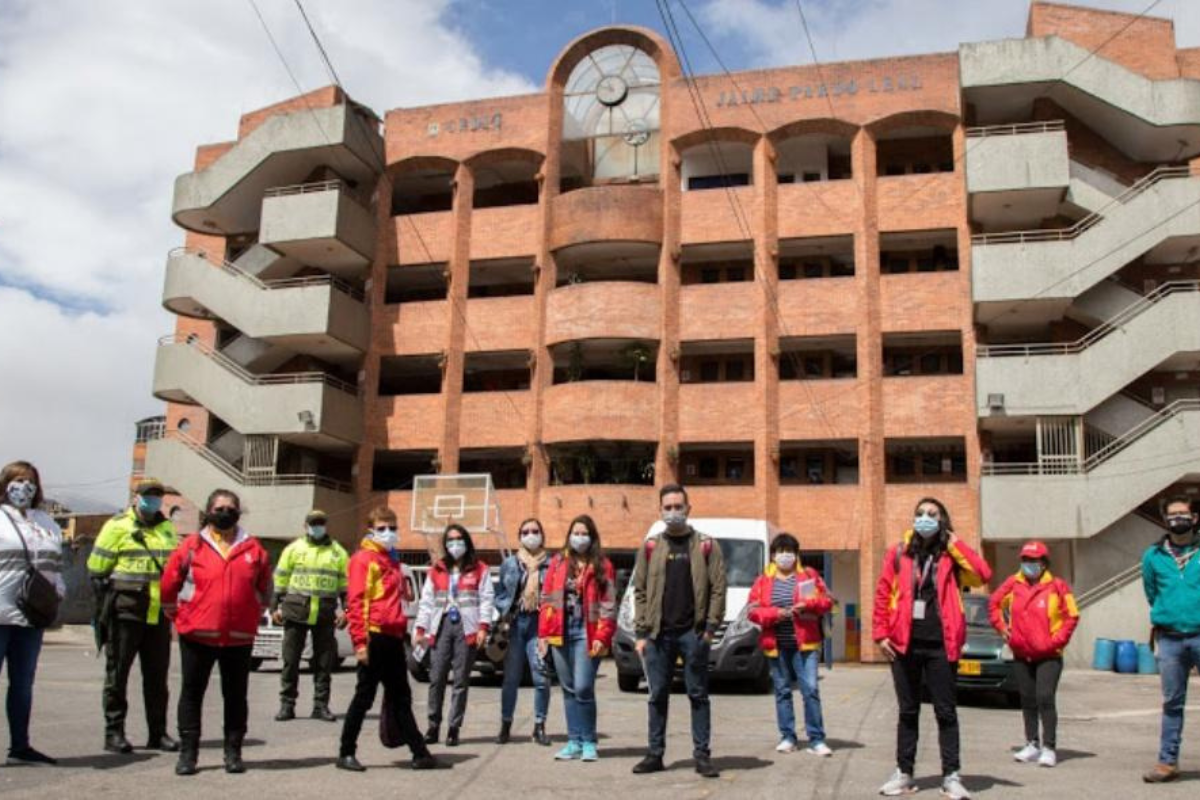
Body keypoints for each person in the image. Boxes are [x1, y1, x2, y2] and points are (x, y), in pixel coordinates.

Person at [874, 497, 991, 799]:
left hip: (942, 644)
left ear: (942, 520)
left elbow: (983, 574)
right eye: (920, 513)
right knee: (908, 711)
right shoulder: (899, 552)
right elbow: (883, 592)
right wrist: (880, 634)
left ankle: (951, 776)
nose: (924, 518)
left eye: (932, 514)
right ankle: (904, 773)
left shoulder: (950, 556)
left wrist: (957, 544)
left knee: (945, 711)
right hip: (905, 645)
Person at [161, 489, 271, 776]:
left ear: (239, 512)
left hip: (238, 637)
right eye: (219, 508)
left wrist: (252, 614)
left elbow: (265, 589)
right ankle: (188, 754)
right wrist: (178, 615)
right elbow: (169, 585)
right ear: (208, 511)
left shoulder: (254, 549)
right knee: (192, 693)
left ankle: (233, 753)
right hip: (198, 634)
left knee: (236, 696)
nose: (225, 512)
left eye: (230, 508)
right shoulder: (191, 546)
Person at [631, 483, 726, 778]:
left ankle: (702, 755)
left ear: (688, 508)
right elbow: (640, 590)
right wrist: (642, 633)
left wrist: (709, 630)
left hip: (693, 634)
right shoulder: (650, 547)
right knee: (657, 694)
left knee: (698, 695)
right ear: (660, 511)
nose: (673, 512)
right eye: (668, 507)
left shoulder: (706, 545)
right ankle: (655, 754)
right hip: (659, 635)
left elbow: (718, 589)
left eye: (678, 506)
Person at [337, 507, 440, 771]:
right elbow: (357, 602)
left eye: (393, 527)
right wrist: (360, 642)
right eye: (382, 527)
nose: (389, 532)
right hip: (374, 635)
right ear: (371, 529)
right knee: (365, 696)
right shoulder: (363, 560)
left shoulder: (391, 561)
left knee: (401, 696)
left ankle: (419, 752)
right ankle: (346, 752)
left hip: (394, 636)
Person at [87, 477, 179, 754]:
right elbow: (97, 568)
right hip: (125, 611)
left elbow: (173, 569)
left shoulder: (167, 529)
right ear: (136, 497)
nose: (152, 499)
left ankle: (158, 733)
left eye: (157, 495)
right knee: (118, 675)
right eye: (148, 494)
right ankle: (114, 733)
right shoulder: (117, 527)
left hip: (157, 614)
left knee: (157, 678)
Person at [988, 540, 1079, 768]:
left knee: (1045, 698)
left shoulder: (1058, 586)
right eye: (1026, 560)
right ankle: (1031, 743)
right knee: (1027, 700)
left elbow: (1072, 616)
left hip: (1049, 655)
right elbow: (994, 604)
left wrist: (1056, 641)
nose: (1029, 564)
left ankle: (1049, 747)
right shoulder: (1013, 583)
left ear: (1044, 562)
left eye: (1034, 560)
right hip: (1021, 653)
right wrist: (1003, 628)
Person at [537, 515, 617, 762]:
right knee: (569, 688)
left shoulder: (603, 565)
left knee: (583, 687)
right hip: (561, 630)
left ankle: (589, 741)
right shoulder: (558, 562)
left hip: (587, 630)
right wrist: (543, 634)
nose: (579, 537)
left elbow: (609, 603)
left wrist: (603, 635)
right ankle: (574, 741)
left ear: (591, 537)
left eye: (584, 533)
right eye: (575, 532)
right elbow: (547, 599)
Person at [0, 460, 64, 766]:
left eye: (29, 481)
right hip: (0, 613)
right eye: (16, 480)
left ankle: (20, 746)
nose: (23, 486)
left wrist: (57, 592)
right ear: (5, 485)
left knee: (23, 683)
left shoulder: (46, 523)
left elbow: (55, 566)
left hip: (32, 615)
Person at [747, 532, 834, 756]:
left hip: (805, 644)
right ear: (773, 555)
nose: (785, 556)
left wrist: (809, 604)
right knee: (782, 691)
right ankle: (788, 736)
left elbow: (827, 601)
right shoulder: (763, 581)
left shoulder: (809, 575)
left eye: (790, 552)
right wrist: (777, 613)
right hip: (776, 644)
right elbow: (753, 612)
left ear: (796, 555)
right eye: (780, 551)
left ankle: (816, 739)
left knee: (811, 690)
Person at [415, 524, 494, 747]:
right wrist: (421, 628)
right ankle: (433, 726)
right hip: (441, 627)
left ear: (467, 541)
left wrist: (483, 627)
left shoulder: (479, 568)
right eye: (450, 540)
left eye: (459, 539)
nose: (454, 544)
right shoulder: (437, 569)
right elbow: (427, 602)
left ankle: (453, 727)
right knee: (436, 678)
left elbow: (487, 599)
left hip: (466, 628)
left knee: (460, 680)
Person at [1141, 494, 1200, 784]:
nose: (1178, 519)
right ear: (1165, 520)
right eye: (1173, 515)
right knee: (1172, 703)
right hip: (1170, 640)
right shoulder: (1152, 556)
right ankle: (1167, 762)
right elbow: (1152, 593)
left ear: (1194, 518)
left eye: (1183, 514)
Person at [272, 509, 349, 723]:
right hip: (296, 612)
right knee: (290, 661)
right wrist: (274, 607)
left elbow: (346, 588)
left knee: (324, 663)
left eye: (321, 523)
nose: (317, 527)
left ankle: (321, 705)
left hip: (325, 614)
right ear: (305, 526)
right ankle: (287, 705)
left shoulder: (338, 552)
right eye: (313, 523)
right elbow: (280, 580)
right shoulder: (293, 549)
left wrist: (347, 612)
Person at [494, 517, 552, 746]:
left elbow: (555, 598)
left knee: (541, 677)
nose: (531, 535)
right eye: (526, 531)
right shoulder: (510, 563)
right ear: (519, 536)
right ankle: (506, 724)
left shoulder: (551, 564)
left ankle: (539, 726)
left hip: (539, 625)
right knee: (511, 678)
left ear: (542, 535)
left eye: (535, 531)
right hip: (516, 624)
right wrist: (505, 609)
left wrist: (550, 628)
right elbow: (498, 594)